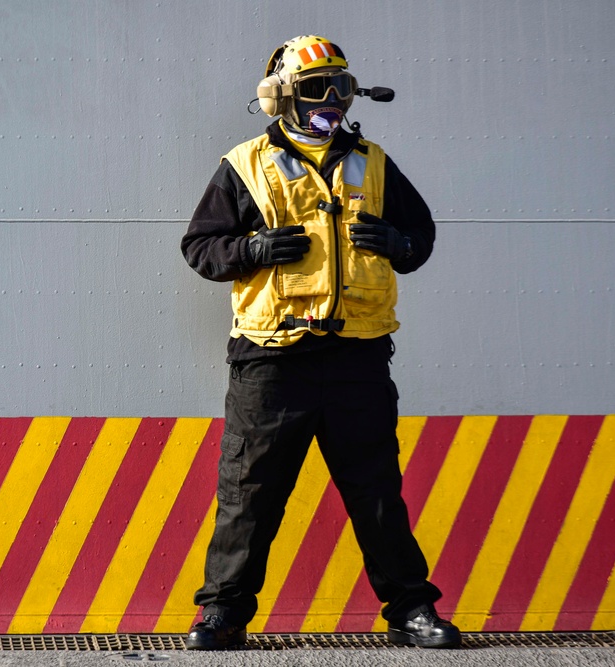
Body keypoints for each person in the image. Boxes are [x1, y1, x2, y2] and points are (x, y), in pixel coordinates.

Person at [179, 35, 461, 650]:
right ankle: (223, 613)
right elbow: (199, 248)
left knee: (376, 491)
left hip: (357, 355)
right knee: (249, 493)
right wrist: (249, 250)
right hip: (271, 362)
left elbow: (421, 235)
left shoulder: (374, 162)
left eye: (341, 87)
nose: (331, 101)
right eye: (315, 89)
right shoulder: (244, 163)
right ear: (282, 98)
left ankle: (412, 610)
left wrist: (400, 244)